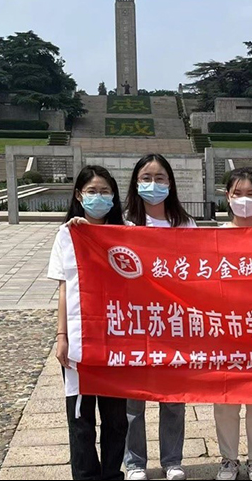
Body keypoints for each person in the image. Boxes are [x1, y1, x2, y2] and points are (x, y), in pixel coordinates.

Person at [48, 165, 128, 480]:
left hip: (117, 337)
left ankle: (112, 474)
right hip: (81, 336)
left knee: (116, 418)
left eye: (105, 191)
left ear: (114, 196)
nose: (99, 197)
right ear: (79, 196)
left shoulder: (127, 233)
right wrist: (62, 336)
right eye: (92, 191)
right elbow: (64, 288)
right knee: (81, 418)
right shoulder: (68, 235)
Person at [123, 154, 195, 481]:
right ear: (136, 182)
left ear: (171, 183)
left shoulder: (185, 224)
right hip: (135, 323)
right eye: (146, 178)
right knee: (133, 402)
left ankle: (172, 460)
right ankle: (135, 463)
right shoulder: (123, 224)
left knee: (174, 399)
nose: (154, 184)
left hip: (174, 324)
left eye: (160, 178)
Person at [215, 167, 252, 481]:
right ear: (228, 197)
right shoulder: (213, 237)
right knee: (225, 400)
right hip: (224, 331)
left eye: (251, 194)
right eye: (238, 193)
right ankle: (228, 460)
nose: (244, 200)